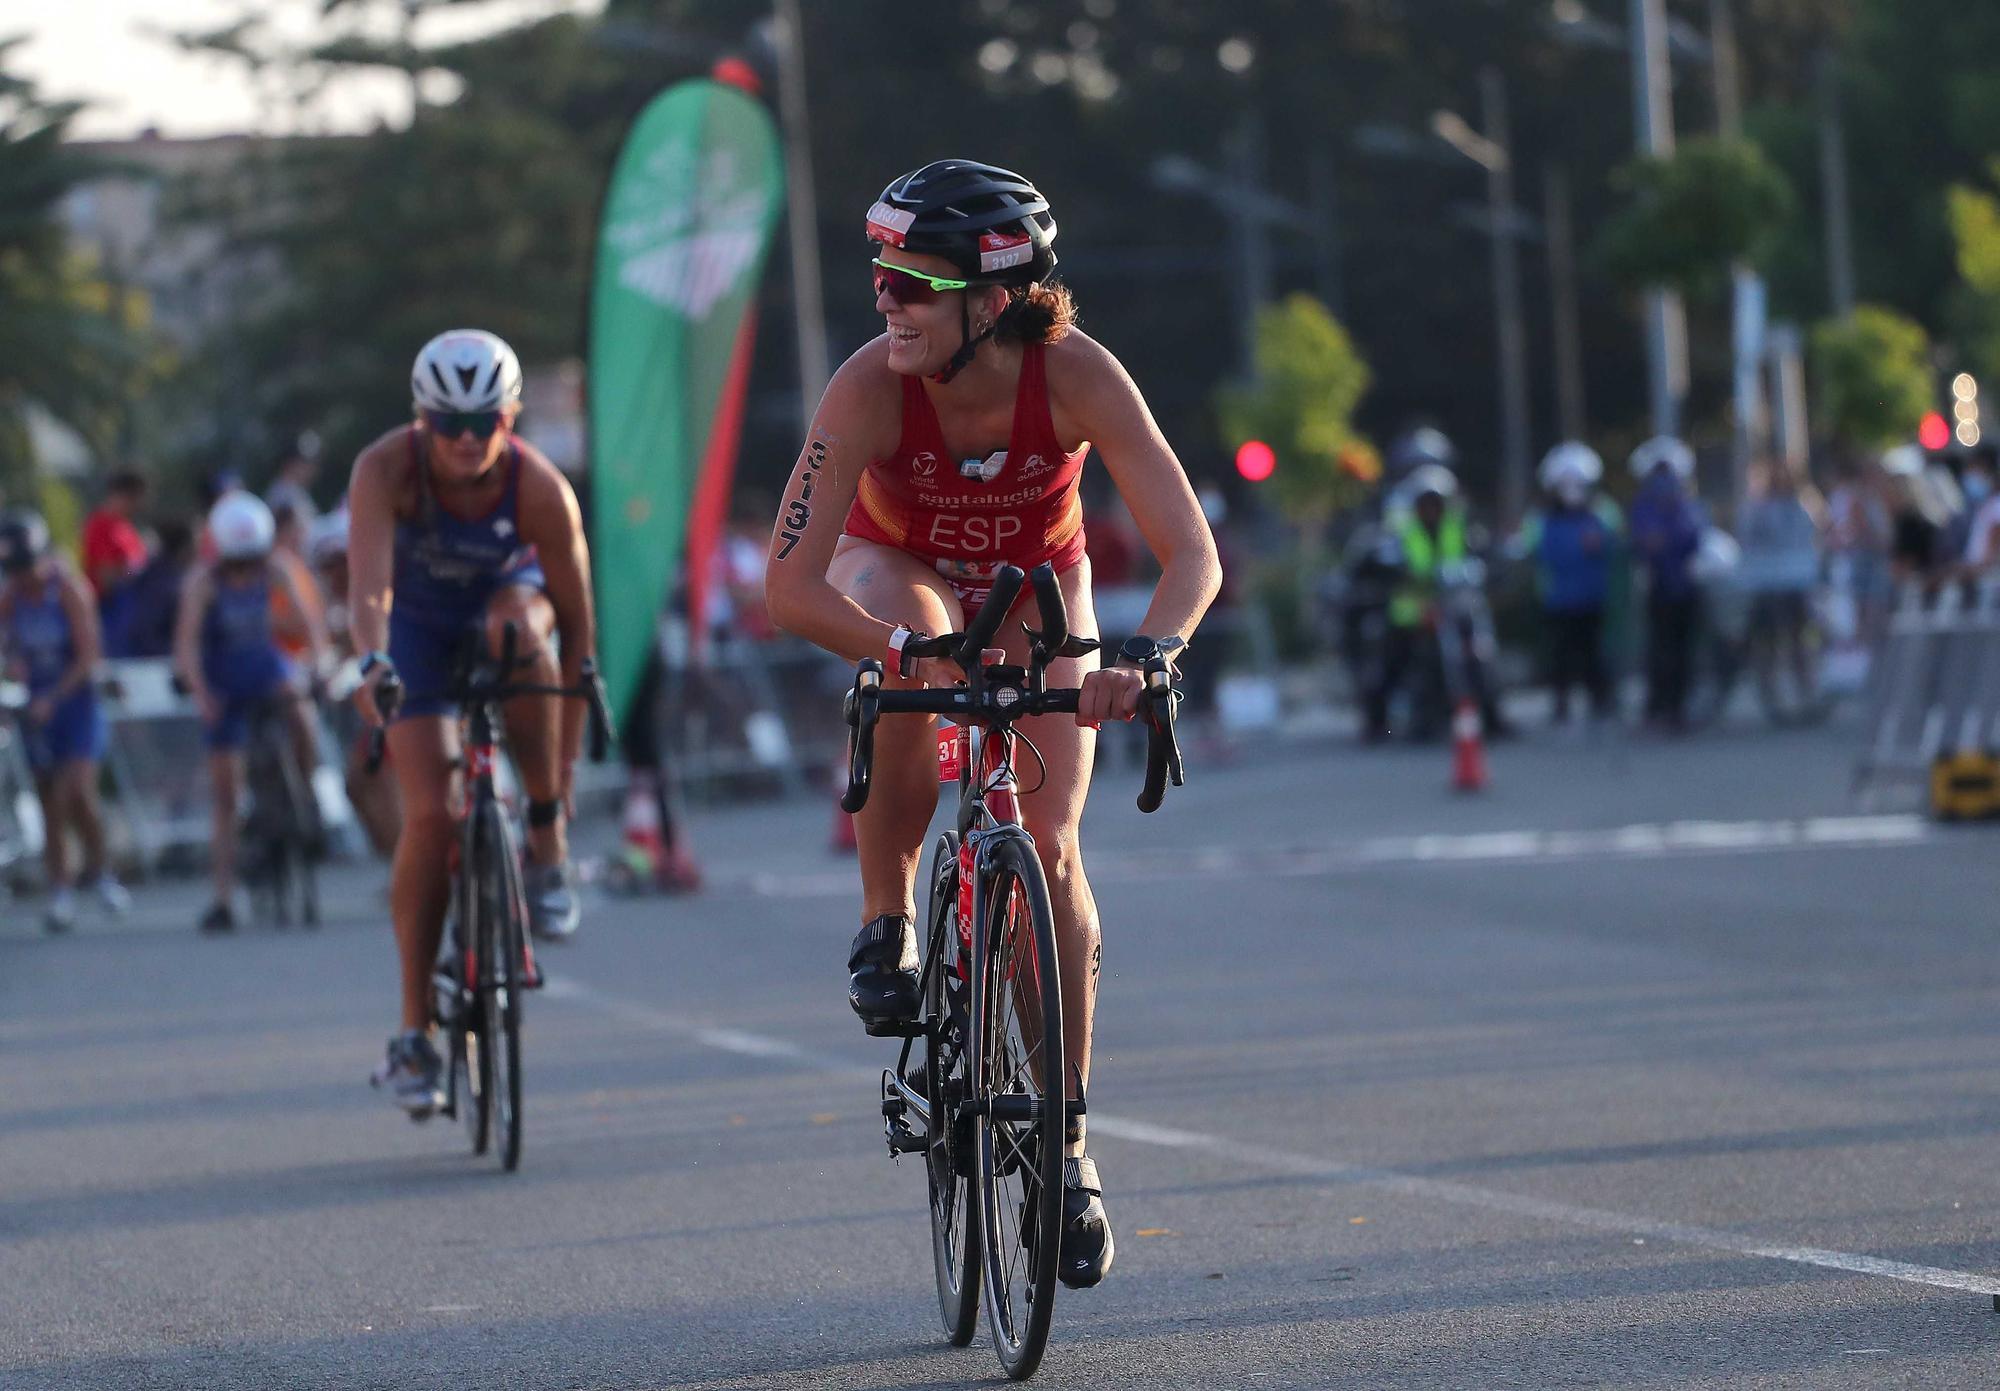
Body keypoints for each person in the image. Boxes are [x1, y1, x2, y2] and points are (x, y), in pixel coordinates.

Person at [763, 160, 1221, 1291]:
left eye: (912, 279)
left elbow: (1190, 553)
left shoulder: (1075, 375)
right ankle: (889, 921)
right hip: (900, 565)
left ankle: (1064, 1146)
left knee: (1053, 846)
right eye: (880, 272)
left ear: (991, 296)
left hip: (1034, 585)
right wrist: (886, 651)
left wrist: (1147, 655)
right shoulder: (869, 385)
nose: (887, 297)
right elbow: (789, 585)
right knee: (916, 633)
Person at [348, 328, 599, 1116]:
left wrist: (573, 728)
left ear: (512, 415)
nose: (465, 439)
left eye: (483, 420)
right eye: (446, 423)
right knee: (431, 814)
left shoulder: (539, 489)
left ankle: (547, 844)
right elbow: (369, 590)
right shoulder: (385, 468)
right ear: (421, 419)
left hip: (506, 611)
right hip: (417, 633)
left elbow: (576, 623)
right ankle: (417, 1031)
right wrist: (371, 662)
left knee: (520, 632)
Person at [173, 492, 328, 934]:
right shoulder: (203, 581)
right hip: (225, 683)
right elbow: (186, 646)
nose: (245, 572)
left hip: (266, 669)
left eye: (251, 561)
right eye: (236, 563)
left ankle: (306, 788)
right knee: (226, 795)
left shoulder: (275, 567)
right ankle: (222, 896)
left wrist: (316, 666)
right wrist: (201, 693)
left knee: (301, 712)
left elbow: (309, 626)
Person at [0, 509, 129, 931]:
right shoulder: (10, 597)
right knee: (49, 801)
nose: (22, 577)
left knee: (77, 791)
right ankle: (60, 890)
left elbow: (90, 654)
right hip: (35, 709)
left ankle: (103, 872)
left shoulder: (68, 589)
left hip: (76, 703)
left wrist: (54, 698)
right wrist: (12, 667)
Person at [1519, 442, 1619, 725]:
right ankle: (1560, 701)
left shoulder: (1602, 513)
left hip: (1593, 596)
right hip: (1556, 598)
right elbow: (1531, 547)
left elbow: (1615, 541)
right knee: (1560, 652)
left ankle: (1600, 698)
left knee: (1593, 651)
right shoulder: (1541, 519)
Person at [1628, 436, 1705, 731]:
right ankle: (1659, 706)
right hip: (1659, 586)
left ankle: (1677, 707)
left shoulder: (1687, 504)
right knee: (1661, 650)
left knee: (1682, 651)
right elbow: (1645, 540)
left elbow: (1693, 536)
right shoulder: (1645, 506)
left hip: (1685, 586)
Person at [80, 471, 150, 658]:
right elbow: (106, 577)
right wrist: (136, 572)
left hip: (132, 613)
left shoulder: (125, 527)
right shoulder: (100, 525)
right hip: (109, 611)